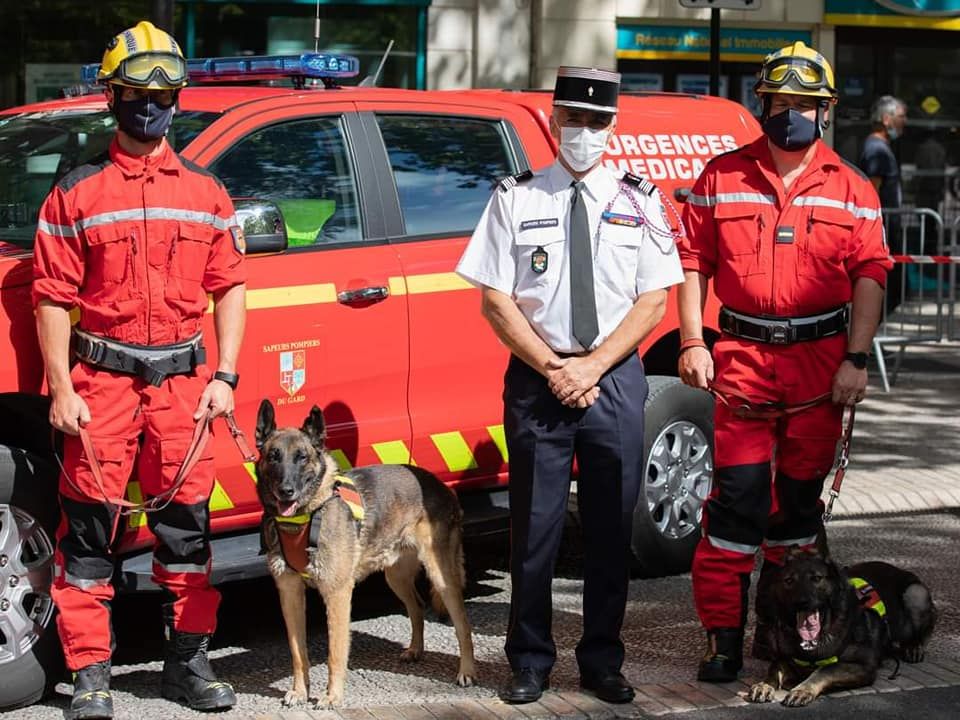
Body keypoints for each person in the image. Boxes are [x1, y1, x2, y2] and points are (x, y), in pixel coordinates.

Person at [32, 21, 246, 718]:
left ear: (179, 99)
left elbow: (231, 287)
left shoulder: (208, 193)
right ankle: (92, 676)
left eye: (164, 94)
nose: (149, 106)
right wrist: (61, 388)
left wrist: (226, 377)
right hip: (103, 385)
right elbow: (52, 298)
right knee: (89, 534)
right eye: (134, 93)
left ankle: (187, 663)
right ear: (112, 98)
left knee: (187, 534)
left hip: (186, 388)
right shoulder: (76, 193)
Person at [457, 66, 684, 705]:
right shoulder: (515, 196)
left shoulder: (641, 197)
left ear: (614, 127)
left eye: (597, 121)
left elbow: (654, 300)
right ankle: (529, 660)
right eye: (574, 120)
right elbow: (495, 301)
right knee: (535, 530)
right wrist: (557, 368)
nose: (584, 132)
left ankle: (602, 662)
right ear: (554, 123)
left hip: (612, 378)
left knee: (611, 528)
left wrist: (591, 367)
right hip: (539, 378)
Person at [676, 41, 892, 683]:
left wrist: (857, 358)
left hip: (820, 369)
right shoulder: (721, 176)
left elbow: (872, 274)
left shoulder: (853, 188)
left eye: (805, 104)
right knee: (736, 507)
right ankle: (722, 641)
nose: (791, 113)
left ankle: (787, 635)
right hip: (742, 363)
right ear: (762, 104)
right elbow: (692, 263)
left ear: (824, 111)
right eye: (780, 101)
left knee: (795, 513)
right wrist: (692, 341)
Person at [860, 95, 907, 305]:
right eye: (901, 117)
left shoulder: (879, 147)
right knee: (890, 292)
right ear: (886, 119)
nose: (904, 122)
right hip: (883, 231)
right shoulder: (876, 150)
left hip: (888, 229)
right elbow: (871, 191)